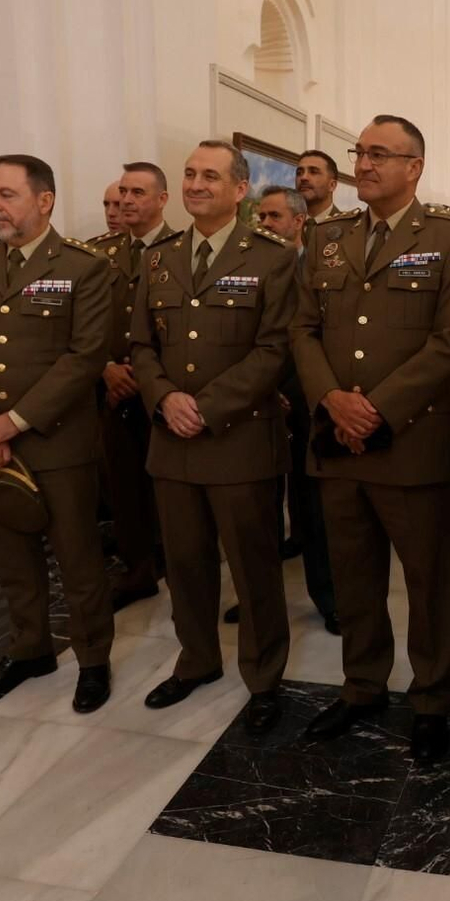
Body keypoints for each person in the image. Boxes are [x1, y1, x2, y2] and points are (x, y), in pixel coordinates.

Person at [291, 114, 450, 763]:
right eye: (360, 152)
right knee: (354, 578)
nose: (364, 165)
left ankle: (432, 698)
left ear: (414, 167)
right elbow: (302, 329)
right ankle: (363, 685)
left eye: (380, 154)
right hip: (338, 441)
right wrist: (331, 398)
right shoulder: (328, 236)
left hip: (410, 443)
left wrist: (375, 409)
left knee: (428, 584)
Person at [127, 141, 295, 733]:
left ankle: (264, 677)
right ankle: (196, 660)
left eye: (210, 176)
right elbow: (141, 344)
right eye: (190, 174)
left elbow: (275, 349)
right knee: (185, 565)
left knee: (253, 569)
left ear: (239, 189)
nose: (196, 184)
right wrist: (164, 398)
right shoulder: (159, 258)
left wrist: (205, 406)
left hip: (239, 442)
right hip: (172, 441)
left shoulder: (273, 258)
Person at [0, 154, 115, 713]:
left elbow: (85, 356)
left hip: (56, 440)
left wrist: (12, 422)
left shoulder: (86, 267)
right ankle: (30, 648)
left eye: (6, 194)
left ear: (44, 200)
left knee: (78, 559)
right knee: (12, 557)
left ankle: (93, 659)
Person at [90, 163, 176, 611]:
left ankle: (176, 563)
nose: (125, 200)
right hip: (112, 390)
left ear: (162, 200)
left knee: (169, 488)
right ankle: (138, 568)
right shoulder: (97, 254)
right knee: (123, 485)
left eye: (137, 192)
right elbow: (81, 323)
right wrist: (104, 367)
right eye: (122, 191)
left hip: (163, 390)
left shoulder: (183, 249)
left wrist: (146, 377)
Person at [254, 184, 339, 634]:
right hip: (259, 400)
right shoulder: (251, 265)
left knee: (313, 507)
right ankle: (261, 599)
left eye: (274, 216)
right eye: (261, 217)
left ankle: (329, 598)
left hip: (307, 399)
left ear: (298, 221)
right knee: (260, 508)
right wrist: (265, 388)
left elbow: (320, 334)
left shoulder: (321, 264)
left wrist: (302, 388)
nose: (265, 224)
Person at [297, 149, 345, 224]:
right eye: (299, 173)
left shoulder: (348, 226)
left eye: (313, 172)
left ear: (332, 185)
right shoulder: (287, 225)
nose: (303, 177)